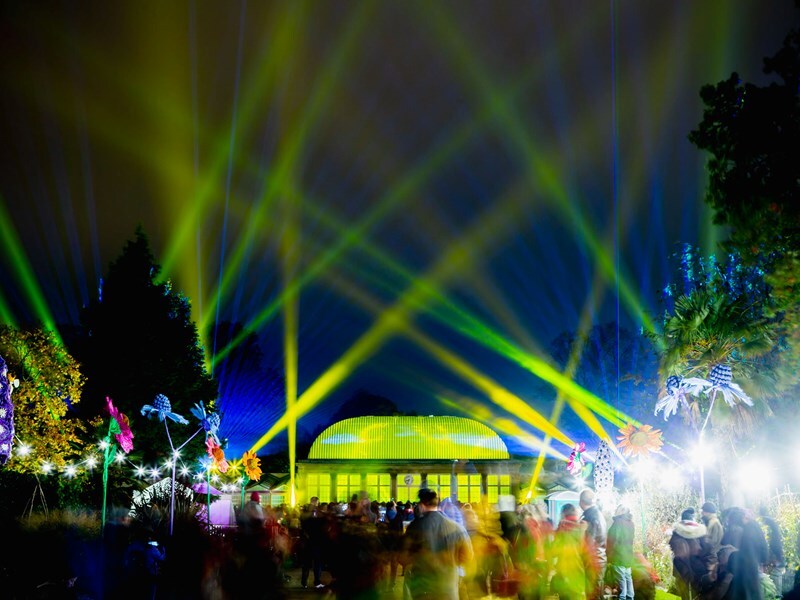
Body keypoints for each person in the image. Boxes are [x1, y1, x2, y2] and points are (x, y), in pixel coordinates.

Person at [400, 488, 474, 600]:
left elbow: (403, 558)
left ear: (421, 504)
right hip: (448, 590)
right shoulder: (456, 527)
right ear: (437, 504)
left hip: (423, 590)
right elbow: (468, 557)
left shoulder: (414, 527)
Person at [550, 503, 590, 600]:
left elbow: (553, 551)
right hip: (579, 572)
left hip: (564, 574)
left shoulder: (562, 528)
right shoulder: (583, 528)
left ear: (563, 514)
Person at [669, 508, 707, 600]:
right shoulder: (699, 531)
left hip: (684, 565)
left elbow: (671, 545)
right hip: (692, 565)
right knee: (695, 591)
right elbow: (704, 548)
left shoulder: (678, 531)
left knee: (686, 591)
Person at [580, 488, 607, 600]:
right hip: (599, 560)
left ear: (581, 501)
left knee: (593, 595)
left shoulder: (591, 517)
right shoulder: (597, 514)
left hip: (593, 562)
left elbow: (588, 543)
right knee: (596, 594)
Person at [607, 503, 635, 600]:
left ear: (622, 511)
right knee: (628, 577)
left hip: (618, 555)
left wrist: (609, 556)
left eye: (617, 509)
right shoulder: (631, 523)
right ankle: (630, 597)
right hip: (628, 556)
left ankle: (622, 598)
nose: (615, 510)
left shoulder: (618, 522)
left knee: (621, 581)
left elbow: (613, 540)